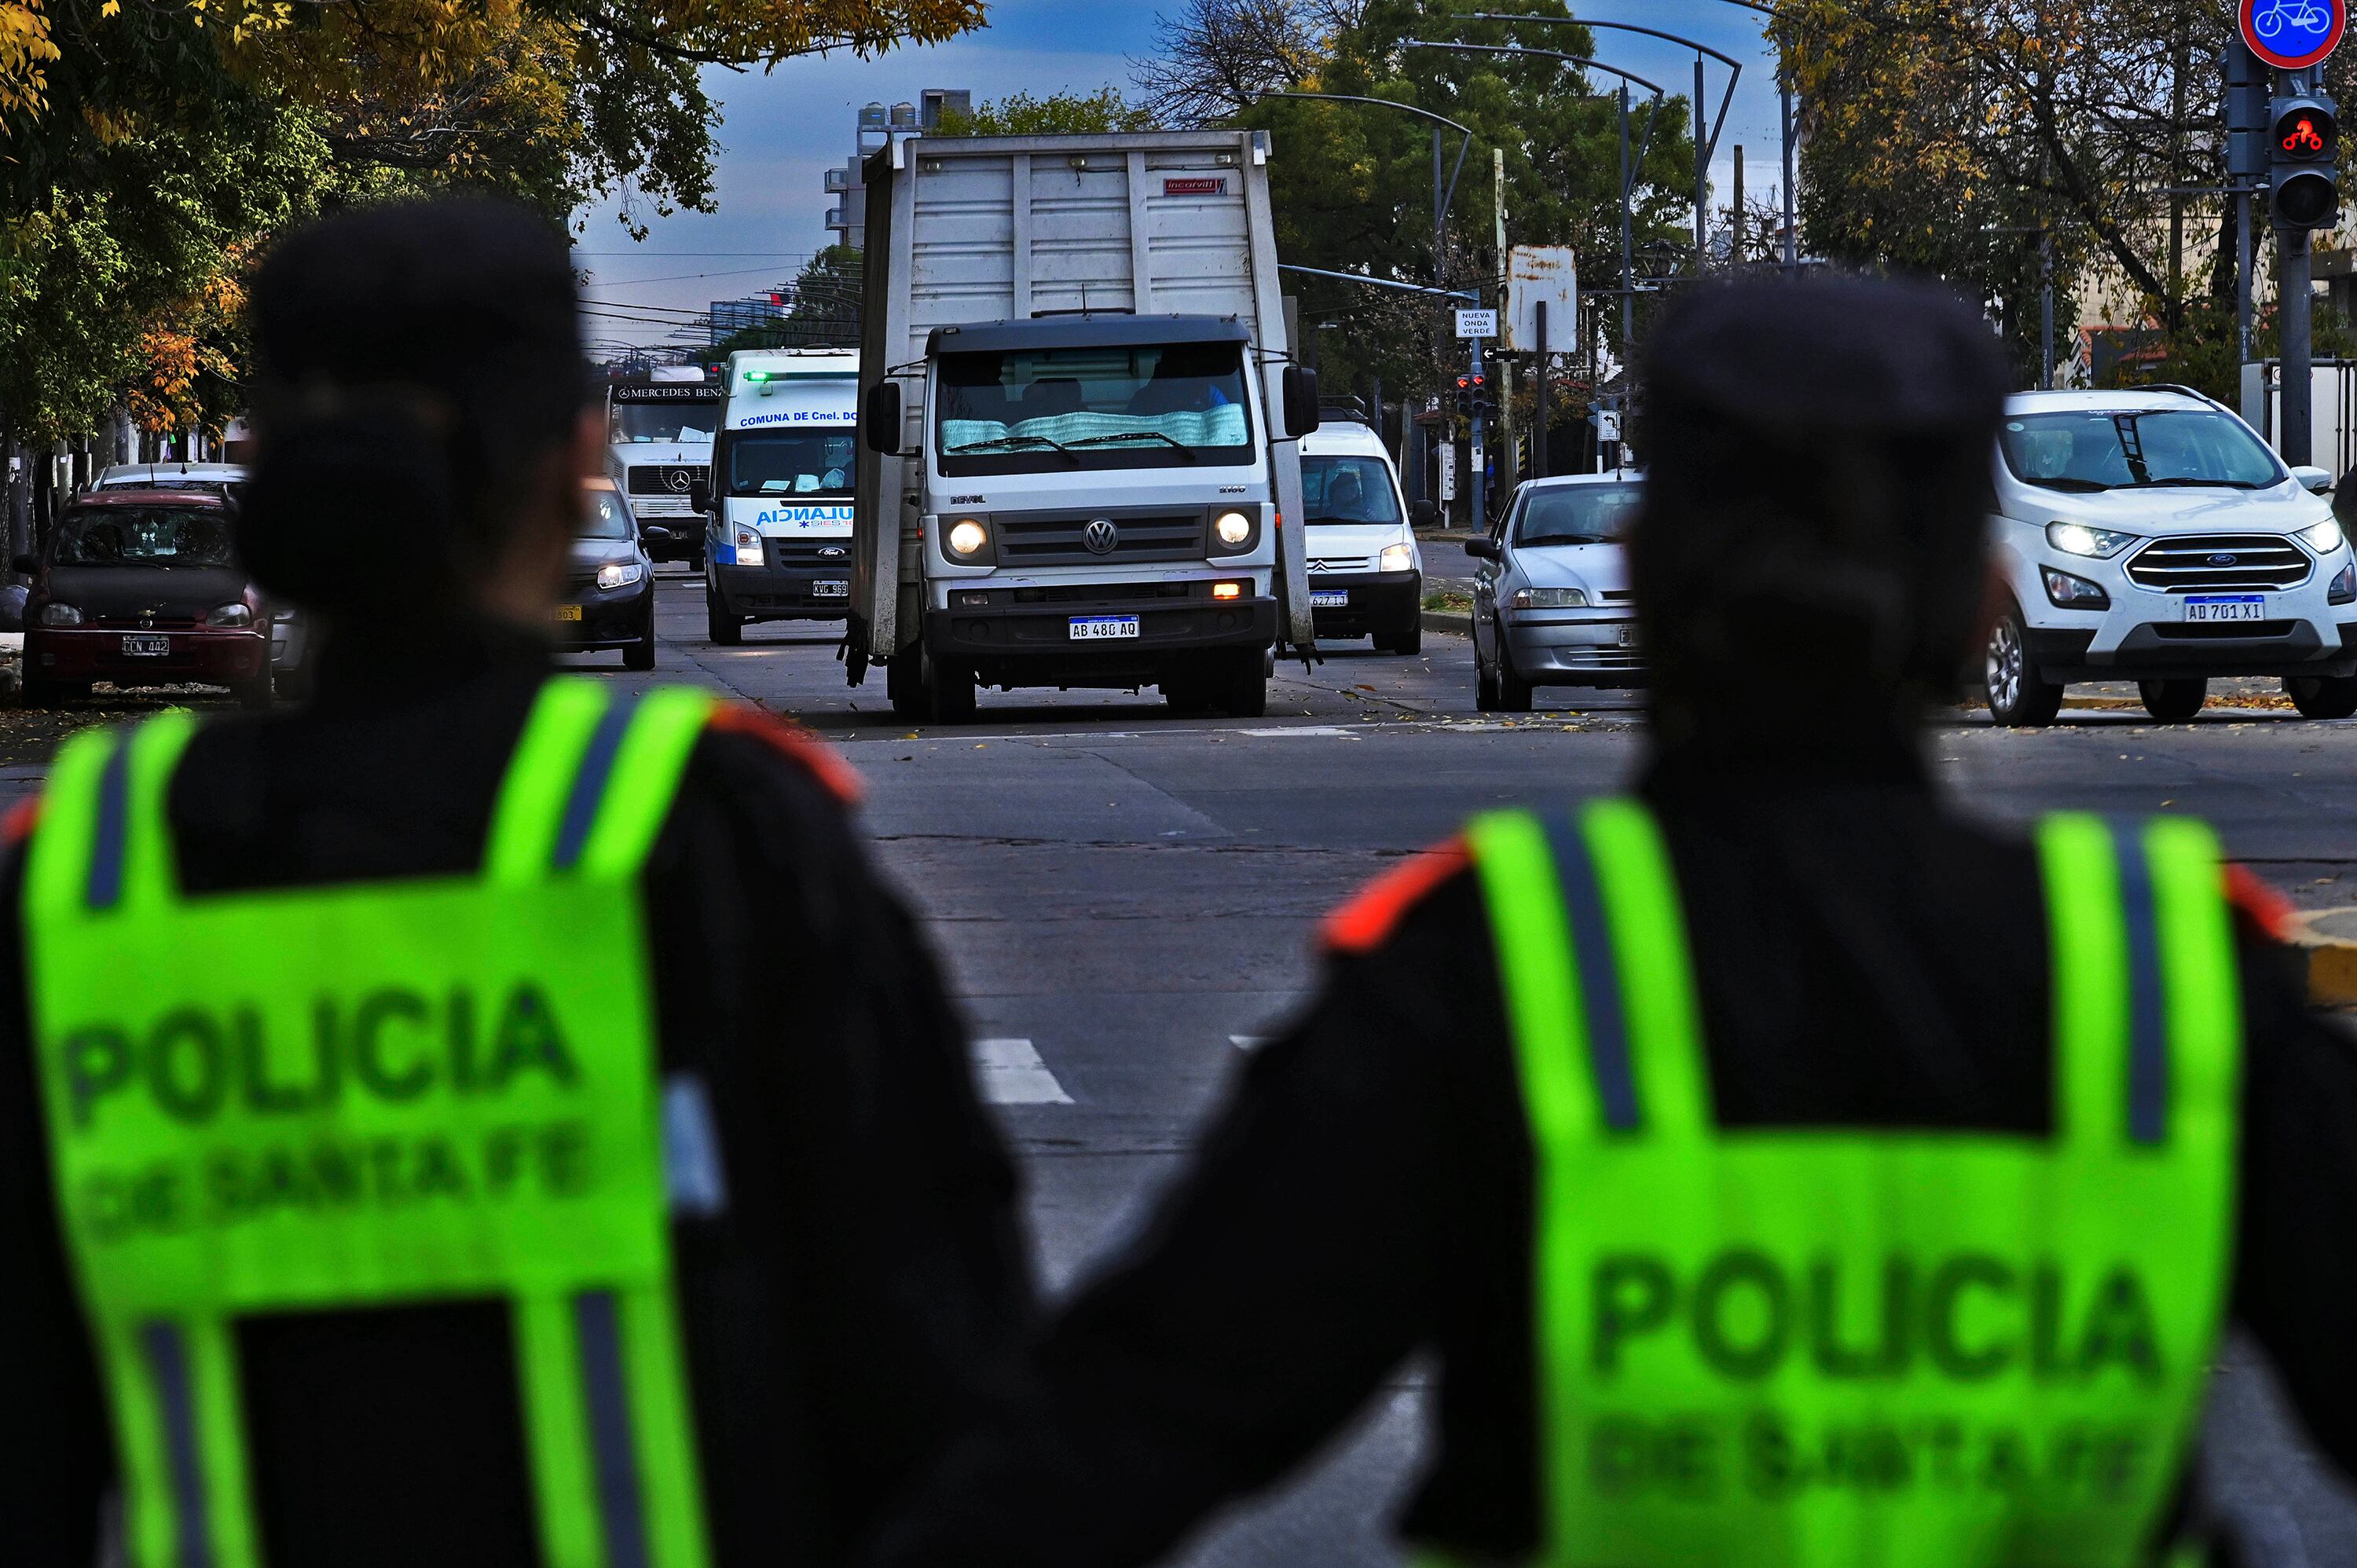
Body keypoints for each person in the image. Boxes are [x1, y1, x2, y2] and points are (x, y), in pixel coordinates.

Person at [861, 277, 2357, 1567]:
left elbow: (1122, 1430)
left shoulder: (1499, 975)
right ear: (1981, 608)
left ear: (1640, 580)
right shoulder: (2171, 981)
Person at [0, 197, 1033, 1565]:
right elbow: (941, 1384)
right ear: (575, 463)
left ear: (270, 469)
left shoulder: (87, 880)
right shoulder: (717, 836)